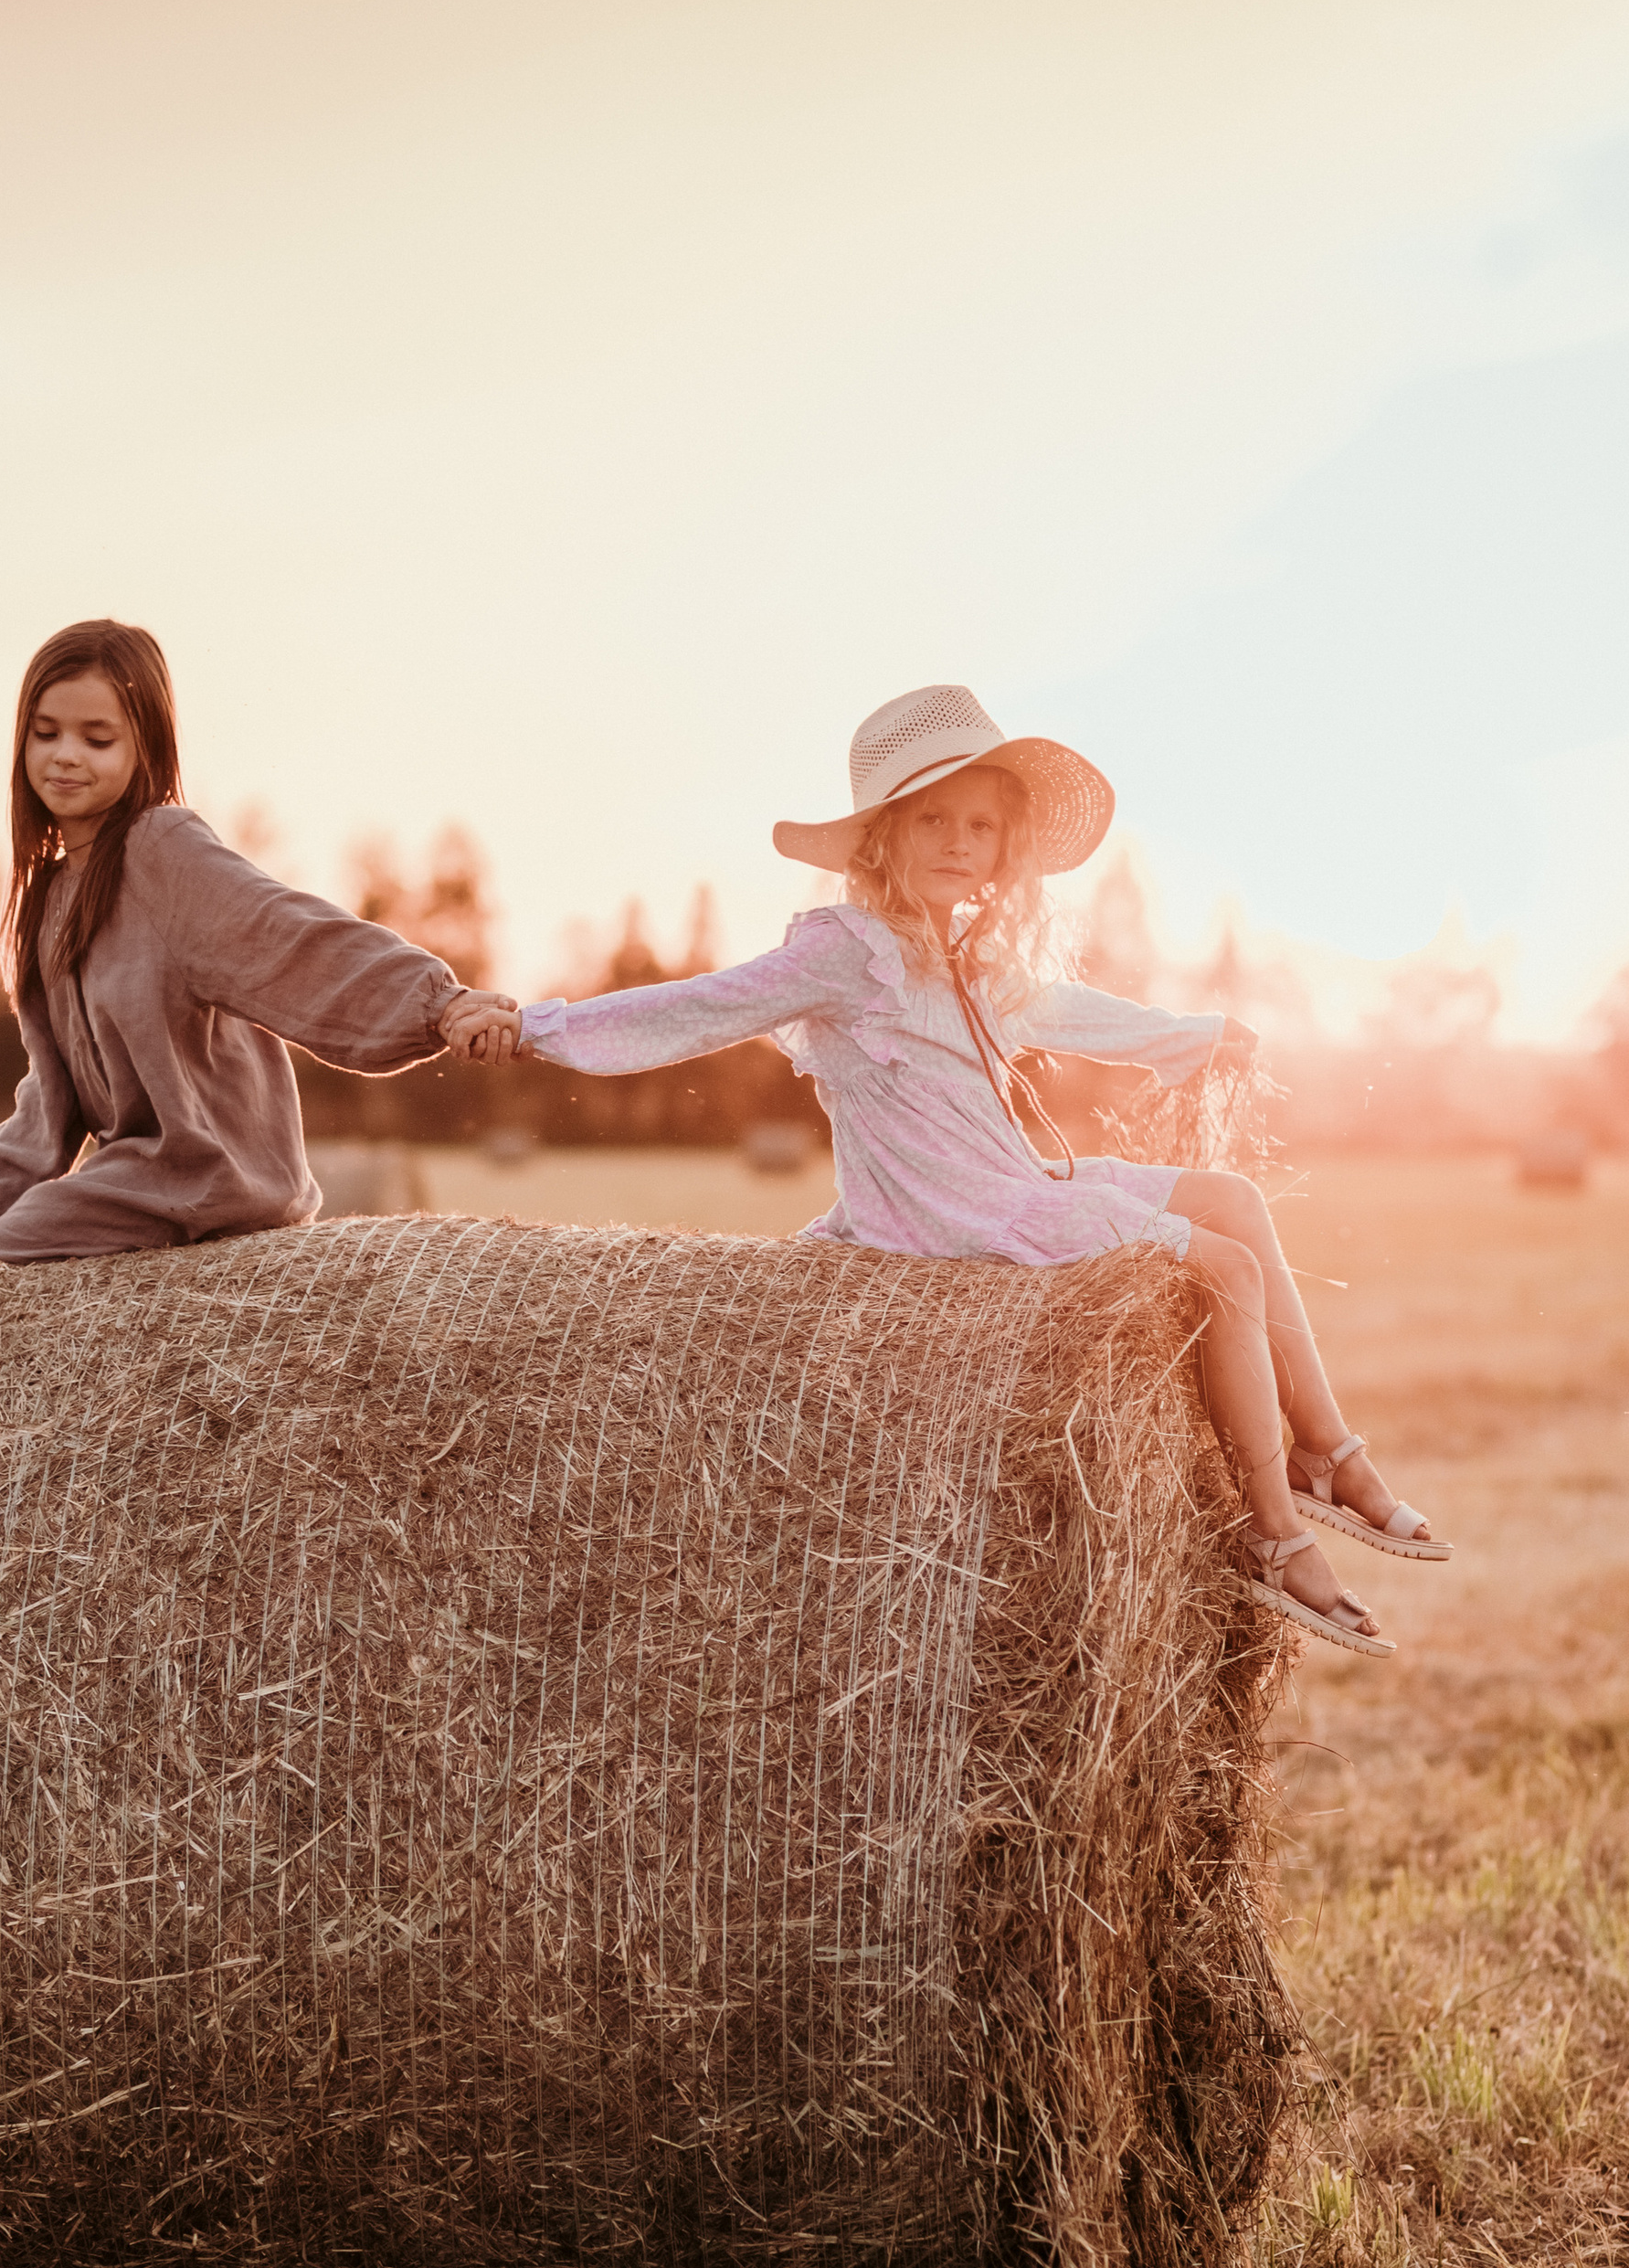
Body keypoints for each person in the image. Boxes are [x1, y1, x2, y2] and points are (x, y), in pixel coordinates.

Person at [483, 684, 1449, 1657]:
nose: (958, 841)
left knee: (1232, 1200)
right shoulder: (844, 953)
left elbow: (1069, 1010)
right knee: (1223, 1267)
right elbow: (697, 1005)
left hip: (1012, 1180)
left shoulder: (974, 960)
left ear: (1005, 847)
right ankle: (1271, 1532)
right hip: (950, 1215)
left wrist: (1193, 1035)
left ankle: (1326, 1450)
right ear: (880, 839)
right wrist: (535, 1028)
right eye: (932, 819)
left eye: (980, 825)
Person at [0, 617, 520, 1710]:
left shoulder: (167, 855)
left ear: (146, 753)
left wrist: (437, 1001)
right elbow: (51, 1108)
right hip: (135, 1170)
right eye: (45, 733)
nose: (67, 757)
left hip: (208, 1168)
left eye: (98, 737)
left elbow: (292, 937)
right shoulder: (44, 902)